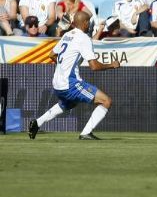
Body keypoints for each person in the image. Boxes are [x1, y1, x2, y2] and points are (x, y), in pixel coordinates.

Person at [28, 12, 120, 141]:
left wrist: (64, 66)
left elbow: (51, 55)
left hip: (57, 82)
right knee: (106, 101)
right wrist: (112, 65)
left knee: (69, 104)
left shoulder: (67, 35)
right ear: (85, 23)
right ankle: (86, 133)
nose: (90, 24)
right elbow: (94, 66)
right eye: (89, 21)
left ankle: (37, 123)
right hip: (70, 83)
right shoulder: (83, 38)